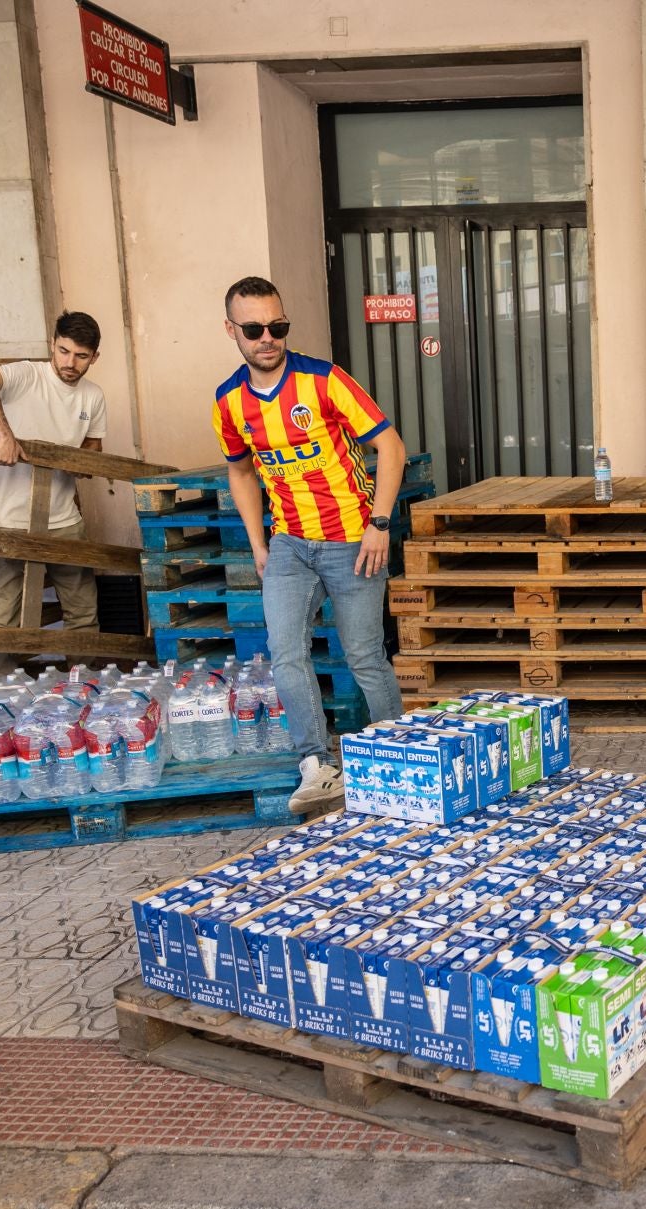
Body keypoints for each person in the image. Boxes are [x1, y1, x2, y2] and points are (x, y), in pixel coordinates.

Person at [213, 276, 405, 815]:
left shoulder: (324, 381)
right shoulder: (229, 402)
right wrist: (258, 544)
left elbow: (390, 446)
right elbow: (241, 472)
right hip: (290, 546)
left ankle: (398, 754)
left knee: (365, 655)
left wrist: (380, 522)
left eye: (278, 326)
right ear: (232, 331)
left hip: (353, 541)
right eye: (254, 329)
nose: (267, 337)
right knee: (286, 655)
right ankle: (316, 766)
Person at [0, 311, 108, 668]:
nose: (70, 363)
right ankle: (0, 695)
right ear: (52, 345)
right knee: (3, 614)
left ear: (94, 357)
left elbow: (94, 447)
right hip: (6, 517)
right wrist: (4, 434)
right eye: (63, 351)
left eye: (81, 356)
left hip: (63, 518)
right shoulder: (27, 374)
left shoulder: (93, 396)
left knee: (83, 609)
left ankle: (86, 687)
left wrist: (81, 463)